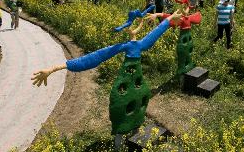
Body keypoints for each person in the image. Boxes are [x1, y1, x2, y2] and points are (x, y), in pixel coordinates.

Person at [31, 8, 182, 145]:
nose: (136, 27)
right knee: (121, 107)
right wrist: (54, 68)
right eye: (132, 24)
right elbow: (93, 58)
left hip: (137, 83)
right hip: (127, 83)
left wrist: (169, 20)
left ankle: (135, 132)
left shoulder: (140, 44)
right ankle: (120, 139)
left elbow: (154, 34)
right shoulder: (124, 46)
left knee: (139, 101)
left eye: (138, 22)